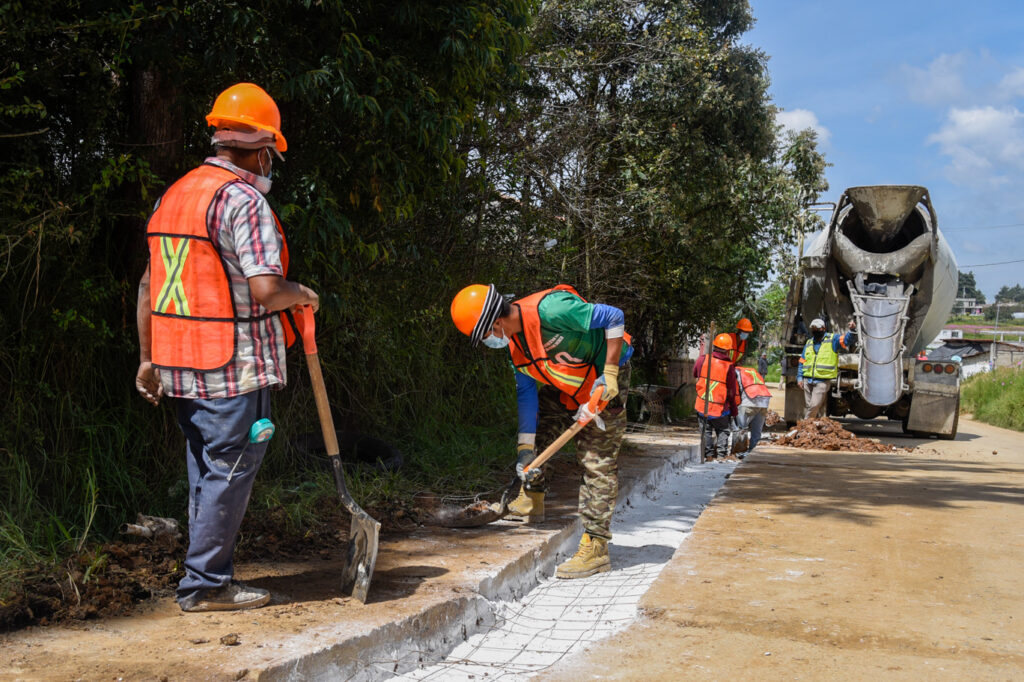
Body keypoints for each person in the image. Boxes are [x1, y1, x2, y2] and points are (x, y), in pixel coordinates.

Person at [135, 83, 319, 613]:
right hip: (232, 367)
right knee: (229, 472)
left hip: (179, 365)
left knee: (207, 469)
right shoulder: (243, 201)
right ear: (262, 147)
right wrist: (303, 293)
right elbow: (266, 289)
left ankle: (204, 573)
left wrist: (147, 359)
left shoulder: (175, 194)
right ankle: (206, 586)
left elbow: (149, 286)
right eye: (272, 154)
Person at [451, 283, 633, 579]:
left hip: (605, 378)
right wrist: (525, 453)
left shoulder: (553, 310)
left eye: (482, 336)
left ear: (495, 323)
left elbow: (614, 316)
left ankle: (597, 545)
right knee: (543, 426)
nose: (486, 342)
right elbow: (526, 396)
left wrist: (609, 375)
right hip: (568, 384)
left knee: (596, 458)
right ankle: (532, 496)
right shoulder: (515, 347)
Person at [693, 333, 741, 460]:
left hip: (702, 405)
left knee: (706, 431)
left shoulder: (702, 359)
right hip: (720, 408)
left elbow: (695, 373)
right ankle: (721, 456)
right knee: (723, 430)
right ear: (727, 350)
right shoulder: (728, 366)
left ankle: (708, 455)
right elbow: (731, 391)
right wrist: (734, 409)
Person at [797, 318, 856, 419]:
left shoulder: (833, 339)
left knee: (814, 405)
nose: (815, 331)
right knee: (810, 406)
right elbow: (802, 361)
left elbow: (847, 341)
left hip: (822, 381)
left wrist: (851, 331)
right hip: (807, 380)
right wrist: (799, 378)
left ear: (823, 328)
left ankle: (804, 426)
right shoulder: (809, 343)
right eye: (813, 329)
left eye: (817, 328)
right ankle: (812, 430)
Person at [735, 365, 772, 454]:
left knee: (741, 429)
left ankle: (738, 451)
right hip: (764, 401)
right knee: (757, 430)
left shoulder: (735, 372)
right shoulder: (752, 371)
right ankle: (753, 452)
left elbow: (735, 391)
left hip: (749, 400)